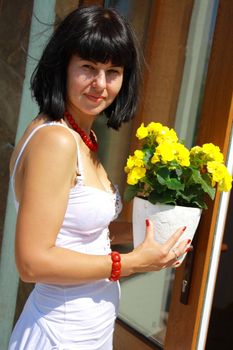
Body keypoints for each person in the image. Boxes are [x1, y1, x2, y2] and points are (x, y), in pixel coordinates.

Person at [8, 6, 191, 350]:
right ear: (62, 65)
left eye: (113, 72)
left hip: (85, 334)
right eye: (88, 68)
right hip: (60, 335)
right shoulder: (56, 140)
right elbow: (31, 262)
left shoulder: (80, 137)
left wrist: (155, 230)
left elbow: (76, 234)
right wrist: (131, 263)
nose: (100, 84)